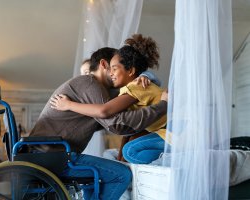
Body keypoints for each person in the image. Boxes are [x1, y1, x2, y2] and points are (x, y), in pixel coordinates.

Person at [30, 47, 168, 200]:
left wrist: (146, 75)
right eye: (113, 68)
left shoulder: (96, 87)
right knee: (121, 174)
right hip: (53, 157)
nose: (113, 74)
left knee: (106, 172)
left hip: (47, 155)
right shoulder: (91, 85)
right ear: (104, 64)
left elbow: (131, 90)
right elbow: (117, 124)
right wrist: (162, 106)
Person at [51, 34, 168, 164]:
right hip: (165, 131)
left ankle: (175, 156)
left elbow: (104, 111)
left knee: (130, 152)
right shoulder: (130, 87)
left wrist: (68, 105)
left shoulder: (136, 86)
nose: (111, 73)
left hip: (172, 130)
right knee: (121, 153)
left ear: (130, 71)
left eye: (114, 68)